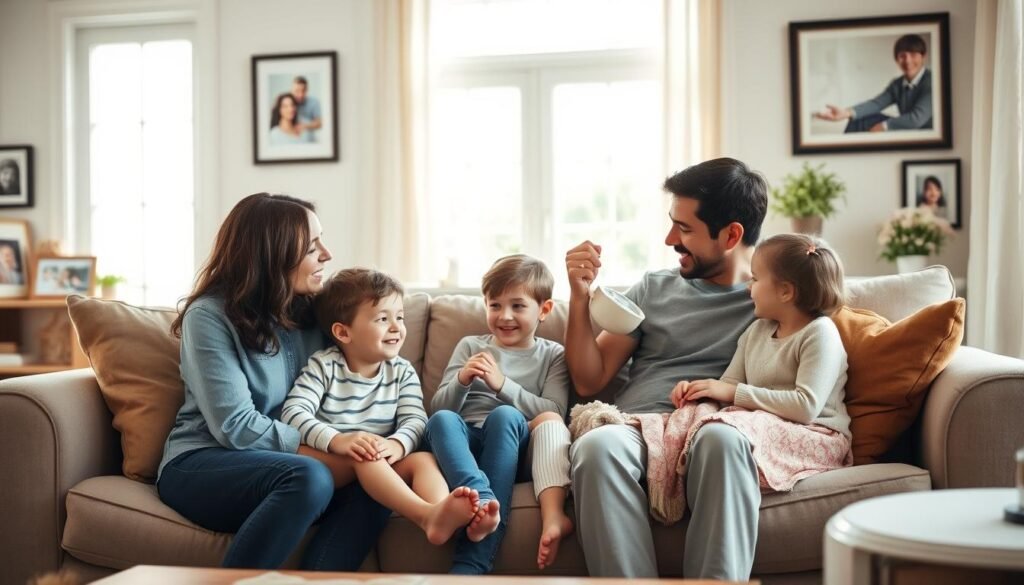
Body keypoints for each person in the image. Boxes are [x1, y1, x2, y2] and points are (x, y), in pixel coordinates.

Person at [158, 193, 391, 570]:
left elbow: (365, 377)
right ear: (273, 254)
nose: (327, 254)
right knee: (314, 476)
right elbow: (233, 425)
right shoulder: (209, 317)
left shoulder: (318, 312)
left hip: (292, 465)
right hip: (205, 461)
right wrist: (336, 450)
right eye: (312, 246)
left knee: (381, 478)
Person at [564, 157, 767, 580]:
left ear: (731, 235)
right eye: (672, 223)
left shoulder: (775, 300)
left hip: (718, 423)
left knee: (723, 443)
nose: (669, 238)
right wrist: (579, 299)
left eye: (685, 229)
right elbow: (589, 378)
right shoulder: (653, 289)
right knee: (596, 449)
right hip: (639, 424)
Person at [280, 268, 479, 545]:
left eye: (399, 317)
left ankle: (443, 512)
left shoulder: (402, 372)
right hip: (328, 463)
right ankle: (426, 516)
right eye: (383, 319)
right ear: (343, 332)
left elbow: (416, 420)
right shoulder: (324, 366)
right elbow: (292, 414)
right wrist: (337, 440)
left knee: (423, 460)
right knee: (365, 455)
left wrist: (397, 445)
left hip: (377, 464)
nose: (396, 327)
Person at [670, 234, 852, 494]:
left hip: (815, 435)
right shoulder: (756, 331)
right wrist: (698, 392)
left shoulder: (820, 333)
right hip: (762, 426)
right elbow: (729, 384)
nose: (748, 287)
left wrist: (734, 393)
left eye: (755, 279)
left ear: (785, 291)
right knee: (698, 423)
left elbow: (805, 407)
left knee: (721, 435)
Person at [425, 254, 571, 574]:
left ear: (544, 310)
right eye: (495, 305)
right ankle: (482, 496)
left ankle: (471, 566)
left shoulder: (553, 355)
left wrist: (503, 385)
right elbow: (438, 409)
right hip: (463, 446)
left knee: (504, 415)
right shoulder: (470, 346)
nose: (505, 316)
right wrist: (462, 381)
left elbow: (556, 411)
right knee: (441, 420)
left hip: (511, 448)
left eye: (518, 306)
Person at [814, 34, 932, 133]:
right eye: (902, 56)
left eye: (913, 55)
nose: (907, 61)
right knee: (858, 120)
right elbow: (876, 104)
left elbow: (917, 119)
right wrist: (845, 113)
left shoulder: (932, 80)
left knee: (873, 125)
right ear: (896, 59)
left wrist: (884, 126)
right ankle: (846, 154)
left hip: (926, 136)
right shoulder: (898, 84)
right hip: (907, 131)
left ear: (923, 56)